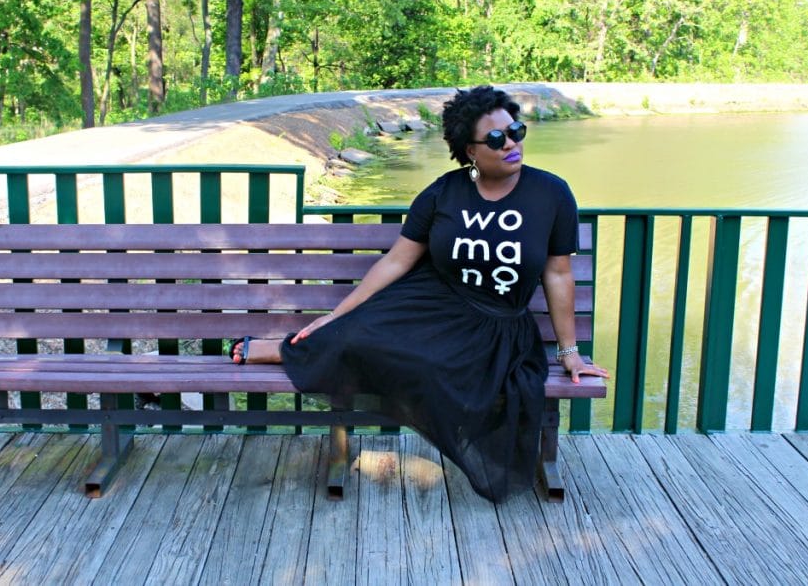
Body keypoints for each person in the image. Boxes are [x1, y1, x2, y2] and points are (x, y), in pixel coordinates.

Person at [232, 85, 609, 501]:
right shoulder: (443, 193)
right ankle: (283, 349)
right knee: (355, 334)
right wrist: (337, 315)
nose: (511, 144)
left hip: (497, 326)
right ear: (470, 150)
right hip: (434, 307)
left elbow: (558, 274)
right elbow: (396, 261)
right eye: (496, 138)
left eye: (516, 131)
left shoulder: (551, 194)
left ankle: (290, 350)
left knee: (435, 368)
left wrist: (568, 352)